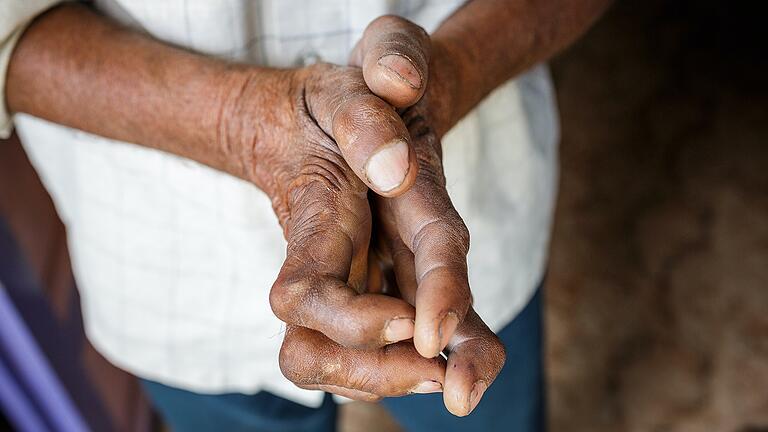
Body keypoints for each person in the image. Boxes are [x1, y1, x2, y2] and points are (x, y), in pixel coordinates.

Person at [1, 1, 610, 431]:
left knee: (469, 394)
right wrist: (244, 121)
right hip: (166, 259)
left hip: (460, 240)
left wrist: (450, 73)